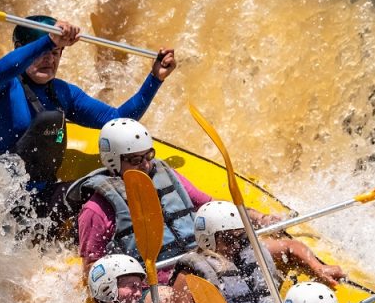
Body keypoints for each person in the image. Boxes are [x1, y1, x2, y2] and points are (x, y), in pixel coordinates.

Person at [0, 17, 176, 220]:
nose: (49, 60)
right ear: (20, 50)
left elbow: (118, 118)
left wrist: (155, 78)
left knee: (102, 189)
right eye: (42, 52)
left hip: (40, 198)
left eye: (55, 53)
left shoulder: (63, 93)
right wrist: (49, 42)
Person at [72, 118, 276, 285]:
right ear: (113, 161)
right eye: (135, 160)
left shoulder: (166, 176)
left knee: (286, 248)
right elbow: (92, 268)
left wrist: (260, 218)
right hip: (159, 280)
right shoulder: (97, 209)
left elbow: (210, 205)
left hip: (199, 258)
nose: (145, 164)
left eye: (148, 155)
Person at [169, 200, 345, 303]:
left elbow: (291, 247)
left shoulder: (254, 253)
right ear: (207, 239)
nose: (238, 245)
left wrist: (318, 268)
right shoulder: (189, 276)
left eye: (243, 238)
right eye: (230, 239)